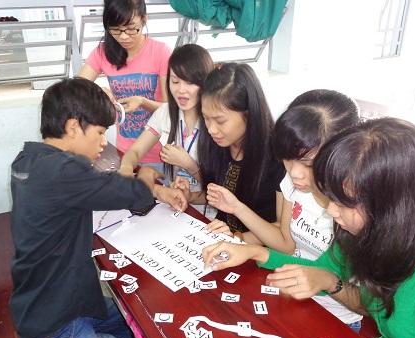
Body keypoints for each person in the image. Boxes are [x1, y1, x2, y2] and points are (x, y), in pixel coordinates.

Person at [203, 117, 415, 338]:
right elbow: (324, 271)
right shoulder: (367, 232)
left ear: (391, 206)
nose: (331, 212)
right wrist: (255, 252)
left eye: (344, 203)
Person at [9, 77, 187, 338]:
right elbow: (131, 192)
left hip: (56, 307)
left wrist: (150, 189)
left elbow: (102, 189)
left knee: (143, 327)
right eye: (101, 133)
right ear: (73, 127)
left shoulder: (31, 161)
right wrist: (148, 176)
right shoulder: (64, 171)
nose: (104, 143)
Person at [205, 89, 363, 331]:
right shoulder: (293, 182)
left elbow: (358, 297)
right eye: (288, 159)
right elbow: (287, 243)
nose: (295, 173)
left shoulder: (355, 210)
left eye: (308, 163)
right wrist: (238, 218)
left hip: (335, 317)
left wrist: (254, 251)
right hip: (289, 294)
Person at [174, 62, 285, 235]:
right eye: (206, 118)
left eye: (220, 121)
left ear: (249, 113)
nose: (211, 129)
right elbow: (225, 196)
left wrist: (237, 238)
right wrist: (191, 197)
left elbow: (283, 232)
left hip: (254, 248)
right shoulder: (219, 145)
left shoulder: (278, 157)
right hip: (223, 239)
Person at [78, 0, 172, 172]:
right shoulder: (102, 52)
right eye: (115, 29)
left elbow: (170, 109)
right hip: (125, 152)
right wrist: (100, 92)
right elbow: (75, 89)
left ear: (144, 19)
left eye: (131, 28)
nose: (123, 37)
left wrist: (143, 102)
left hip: (160, 153)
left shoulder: (160, 52)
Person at [118, 44, 214, 206]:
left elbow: (222, 187)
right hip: (177, 203)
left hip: (209, 211)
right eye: (175, 81)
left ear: (205, 82)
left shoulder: (214, 120)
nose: (181, 90)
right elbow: (135, 151)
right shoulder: (165, 112)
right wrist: (126, 168)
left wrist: (189, 165)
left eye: (190, 83)